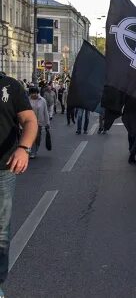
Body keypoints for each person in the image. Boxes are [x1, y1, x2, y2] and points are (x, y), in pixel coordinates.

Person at [0, 74, 38, 295]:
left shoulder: (9, 86)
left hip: (3, 170)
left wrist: (23, 148)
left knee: (1, 233)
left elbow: (30, 121)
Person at [27, 88, 50, 159]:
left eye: (35, 93)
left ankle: (35, 150)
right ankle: (31, 151)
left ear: (38, 93)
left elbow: (45, 112)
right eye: (32, 93)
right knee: (30, 137)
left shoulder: (42, 100)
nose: (34, 94)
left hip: (39, 122)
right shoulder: (27, 100)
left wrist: (47, 123)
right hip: (29, 122)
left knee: (37, 137)